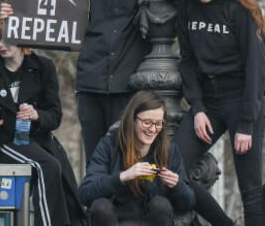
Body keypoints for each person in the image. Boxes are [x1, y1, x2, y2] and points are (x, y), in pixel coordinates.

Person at [2, 0, 180, 164]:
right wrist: (17, 12)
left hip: (130, 84)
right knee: (96, 160)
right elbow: (46, 2)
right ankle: (95, 206)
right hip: (92, 82)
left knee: (128, 161)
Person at [173, 0, 265, 226]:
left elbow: (256, 67)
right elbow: (187, 61)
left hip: (243, 101)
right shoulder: (187, 8)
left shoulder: (239, 8)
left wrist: (246, 124)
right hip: (209, 104)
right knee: (171, 169)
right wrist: (198, 107)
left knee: (251, 190)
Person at [0, 12, 86, 226]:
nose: (0, 44)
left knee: (59, 168)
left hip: (37, 139)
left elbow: (55, 115)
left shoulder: (44, 67)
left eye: (6, 38)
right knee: (46, 165)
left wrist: (37, 115)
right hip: (1, 140)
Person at [78, 90, 195, 225]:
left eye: (158, 123)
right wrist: (123, 176)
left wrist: (177, 186)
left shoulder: (169, 150)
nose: (152, 129)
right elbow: (85, 194)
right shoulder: (108, 146)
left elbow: (187, 204)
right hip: (114, 220)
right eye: (147, 122)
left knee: (161, 204)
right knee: (100, 206)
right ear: (132, 120)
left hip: (150, 220)